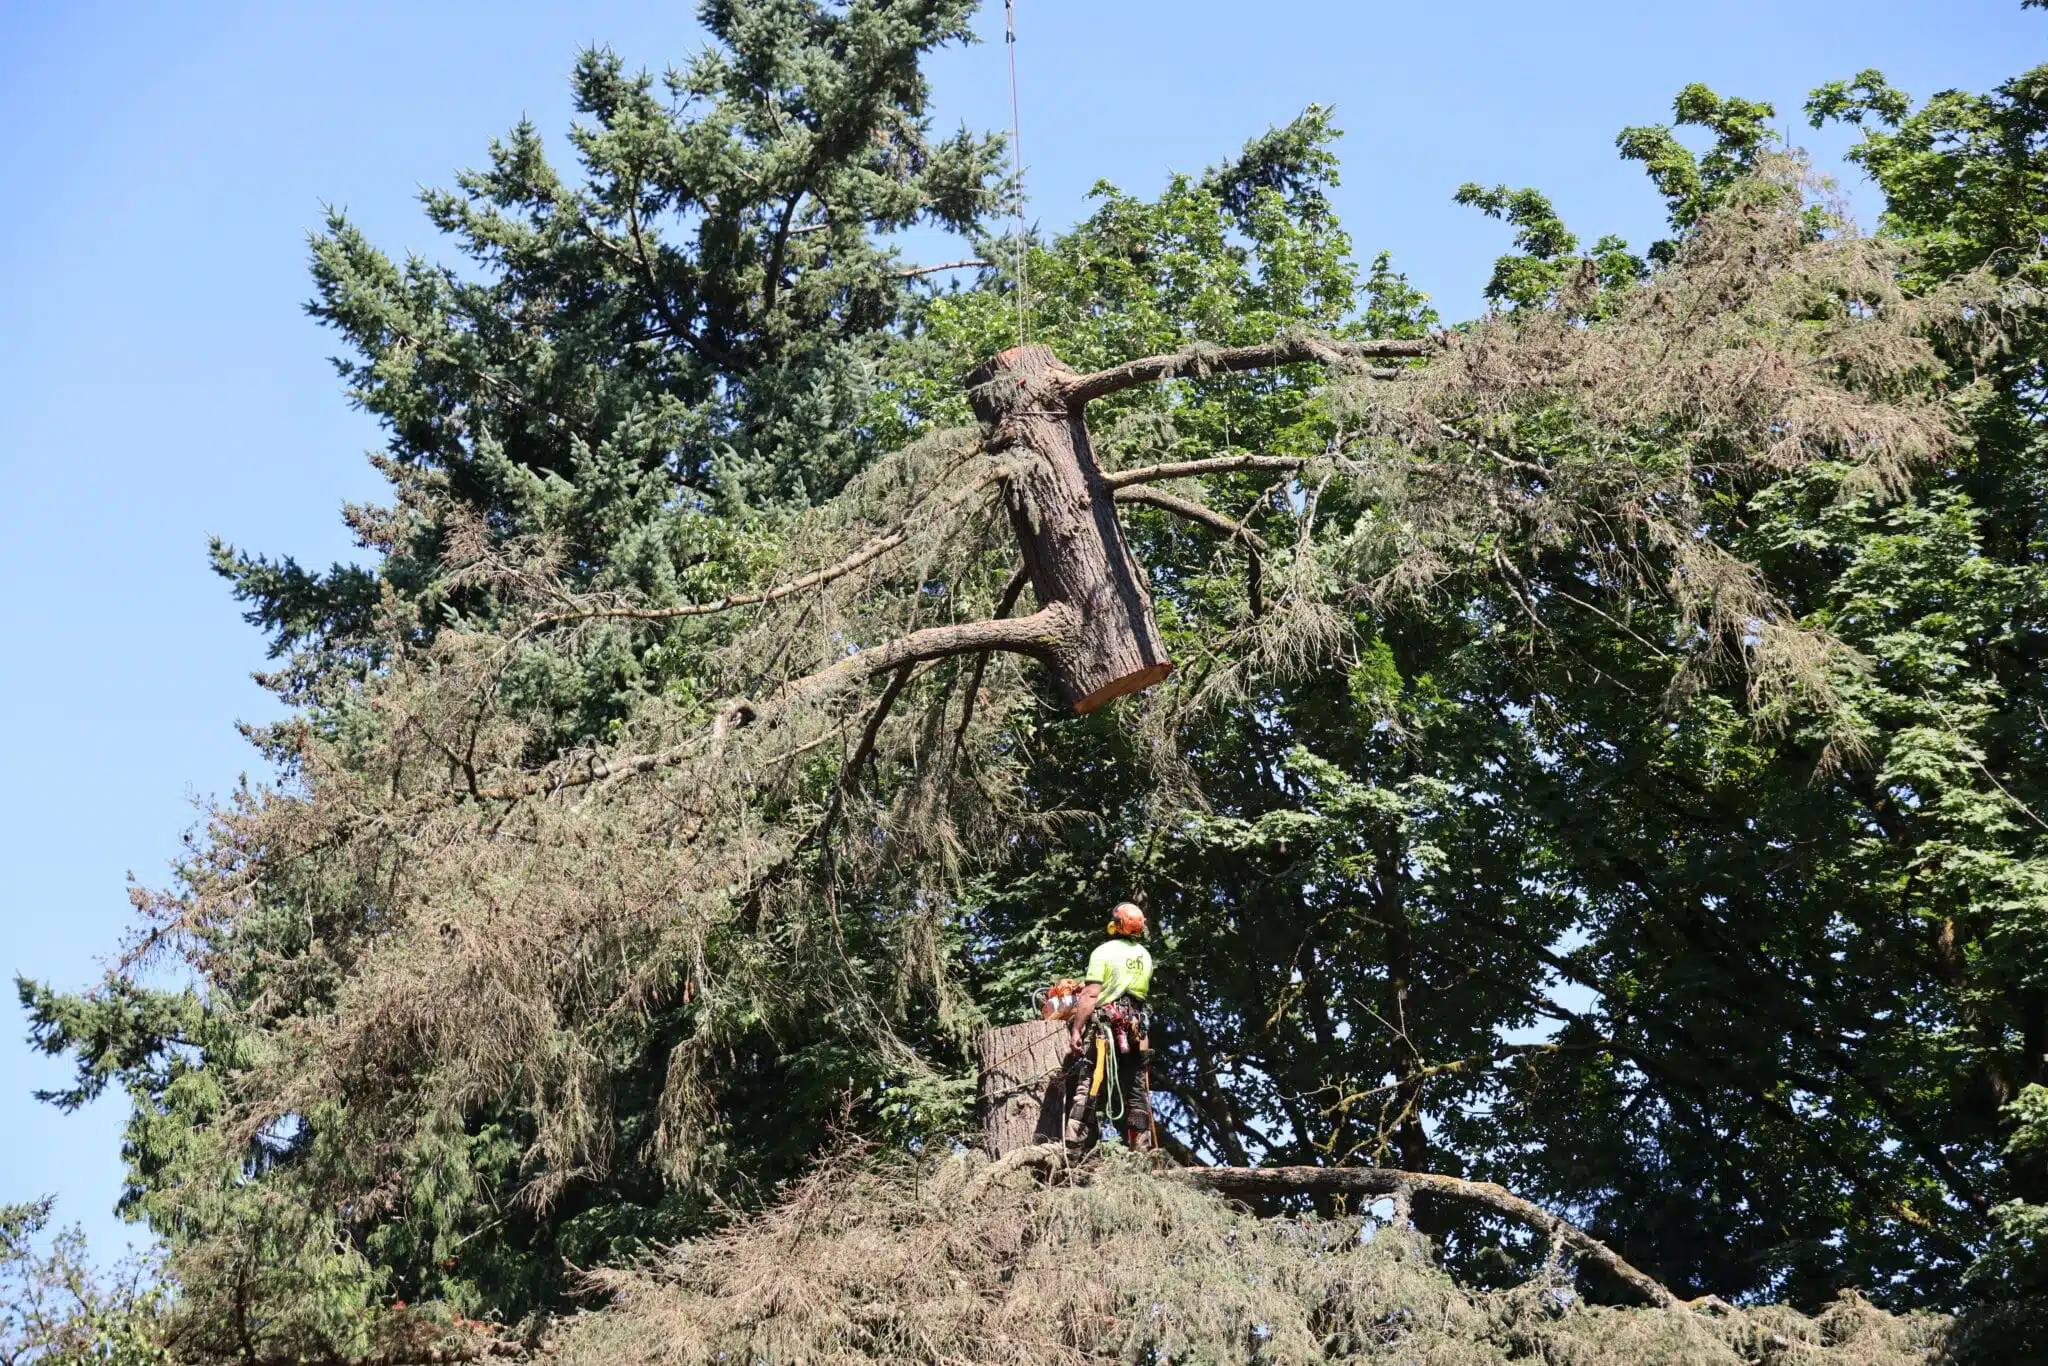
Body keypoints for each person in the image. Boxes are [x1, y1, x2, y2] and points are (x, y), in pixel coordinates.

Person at [1059, 900, 1156, 1155]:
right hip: (1136, 1029)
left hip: (1107, 1028)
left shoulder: (1103, 952)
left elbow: (1091, 995)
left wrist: (1077, 1029)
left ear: (1116, 924)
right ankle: (1141, 1152)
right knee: (1136, 1090)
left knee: (1090, 1082)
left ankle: (1073, 1148)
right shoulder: (1144, 956)